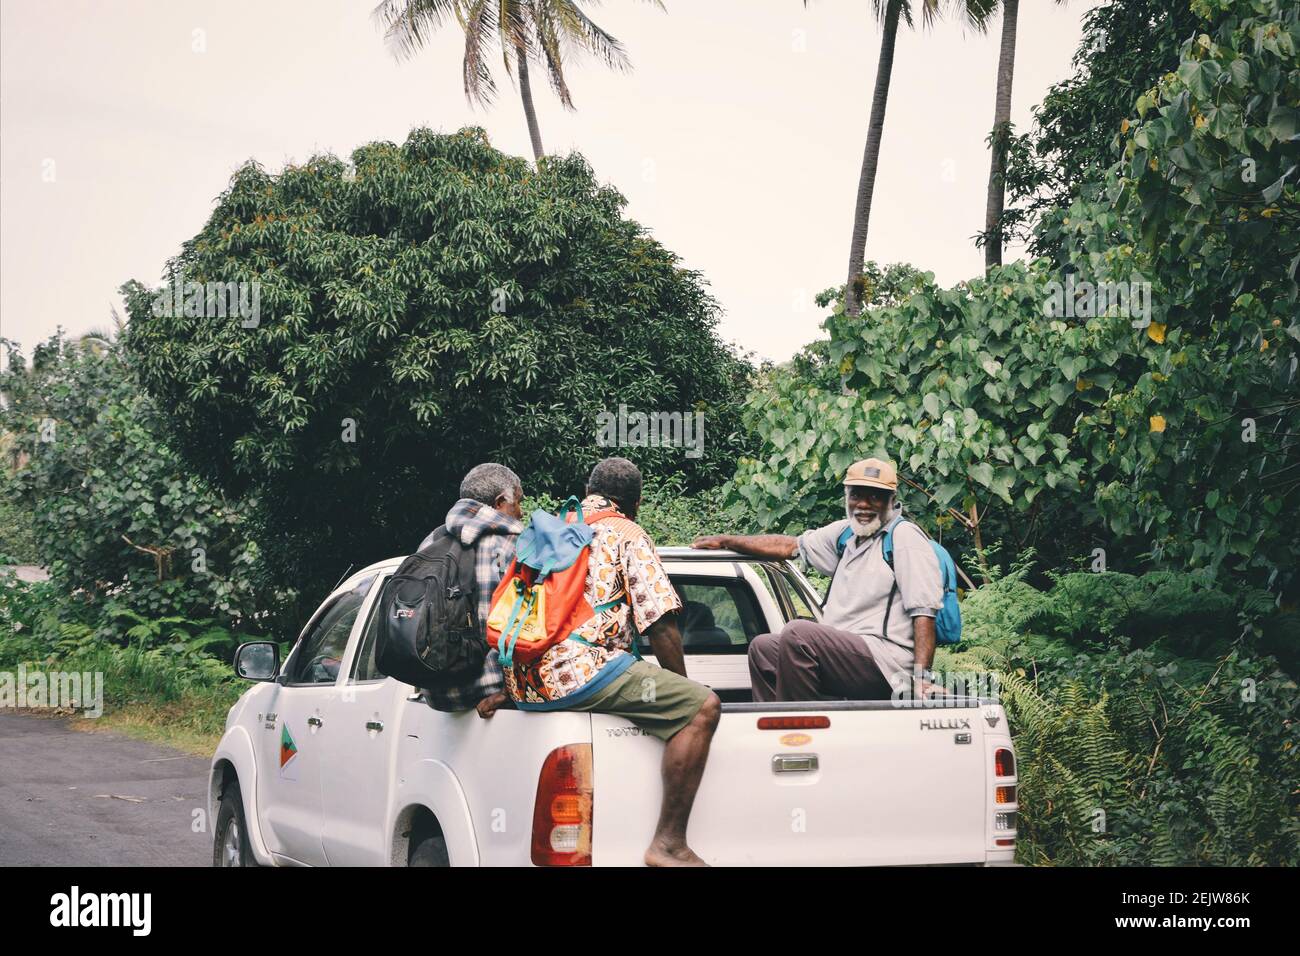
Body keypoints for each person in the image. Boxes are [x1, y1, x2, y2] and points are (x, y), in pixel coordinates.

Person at [478, 457, 721, 867]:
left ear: (590, 490)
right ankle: (668, 845)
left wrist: (511, 688)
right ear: (636, 502)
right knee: (701, 707)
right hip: (578, 672)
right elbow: (660, 624)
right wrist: (685, 693)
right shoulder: (627, 532)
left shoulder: (558, 524)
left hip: (526, 680)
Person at [693, 456, 942, 702]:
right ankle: (774, 729)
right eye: (856, 495)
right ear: (847, 497)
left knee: (798, 633)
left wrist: (922, 678)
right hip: (845, 655)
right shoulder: (845, 534)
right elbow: (787, 546)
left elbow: (924, 613)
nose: (863, 504)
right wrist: (727, 541)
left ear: (892, 501)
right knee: (764, 648)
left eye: (874, 496)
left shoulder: (904, 538)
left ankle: (798, 729)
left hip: (887, 662)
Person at [417, 463, 525, 713]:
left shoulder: (430, 542)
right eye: (518, 502)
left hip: (438, 695)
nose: (520, 512)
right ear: (500, 503)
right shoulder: (512, 545)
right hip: (491, 693)